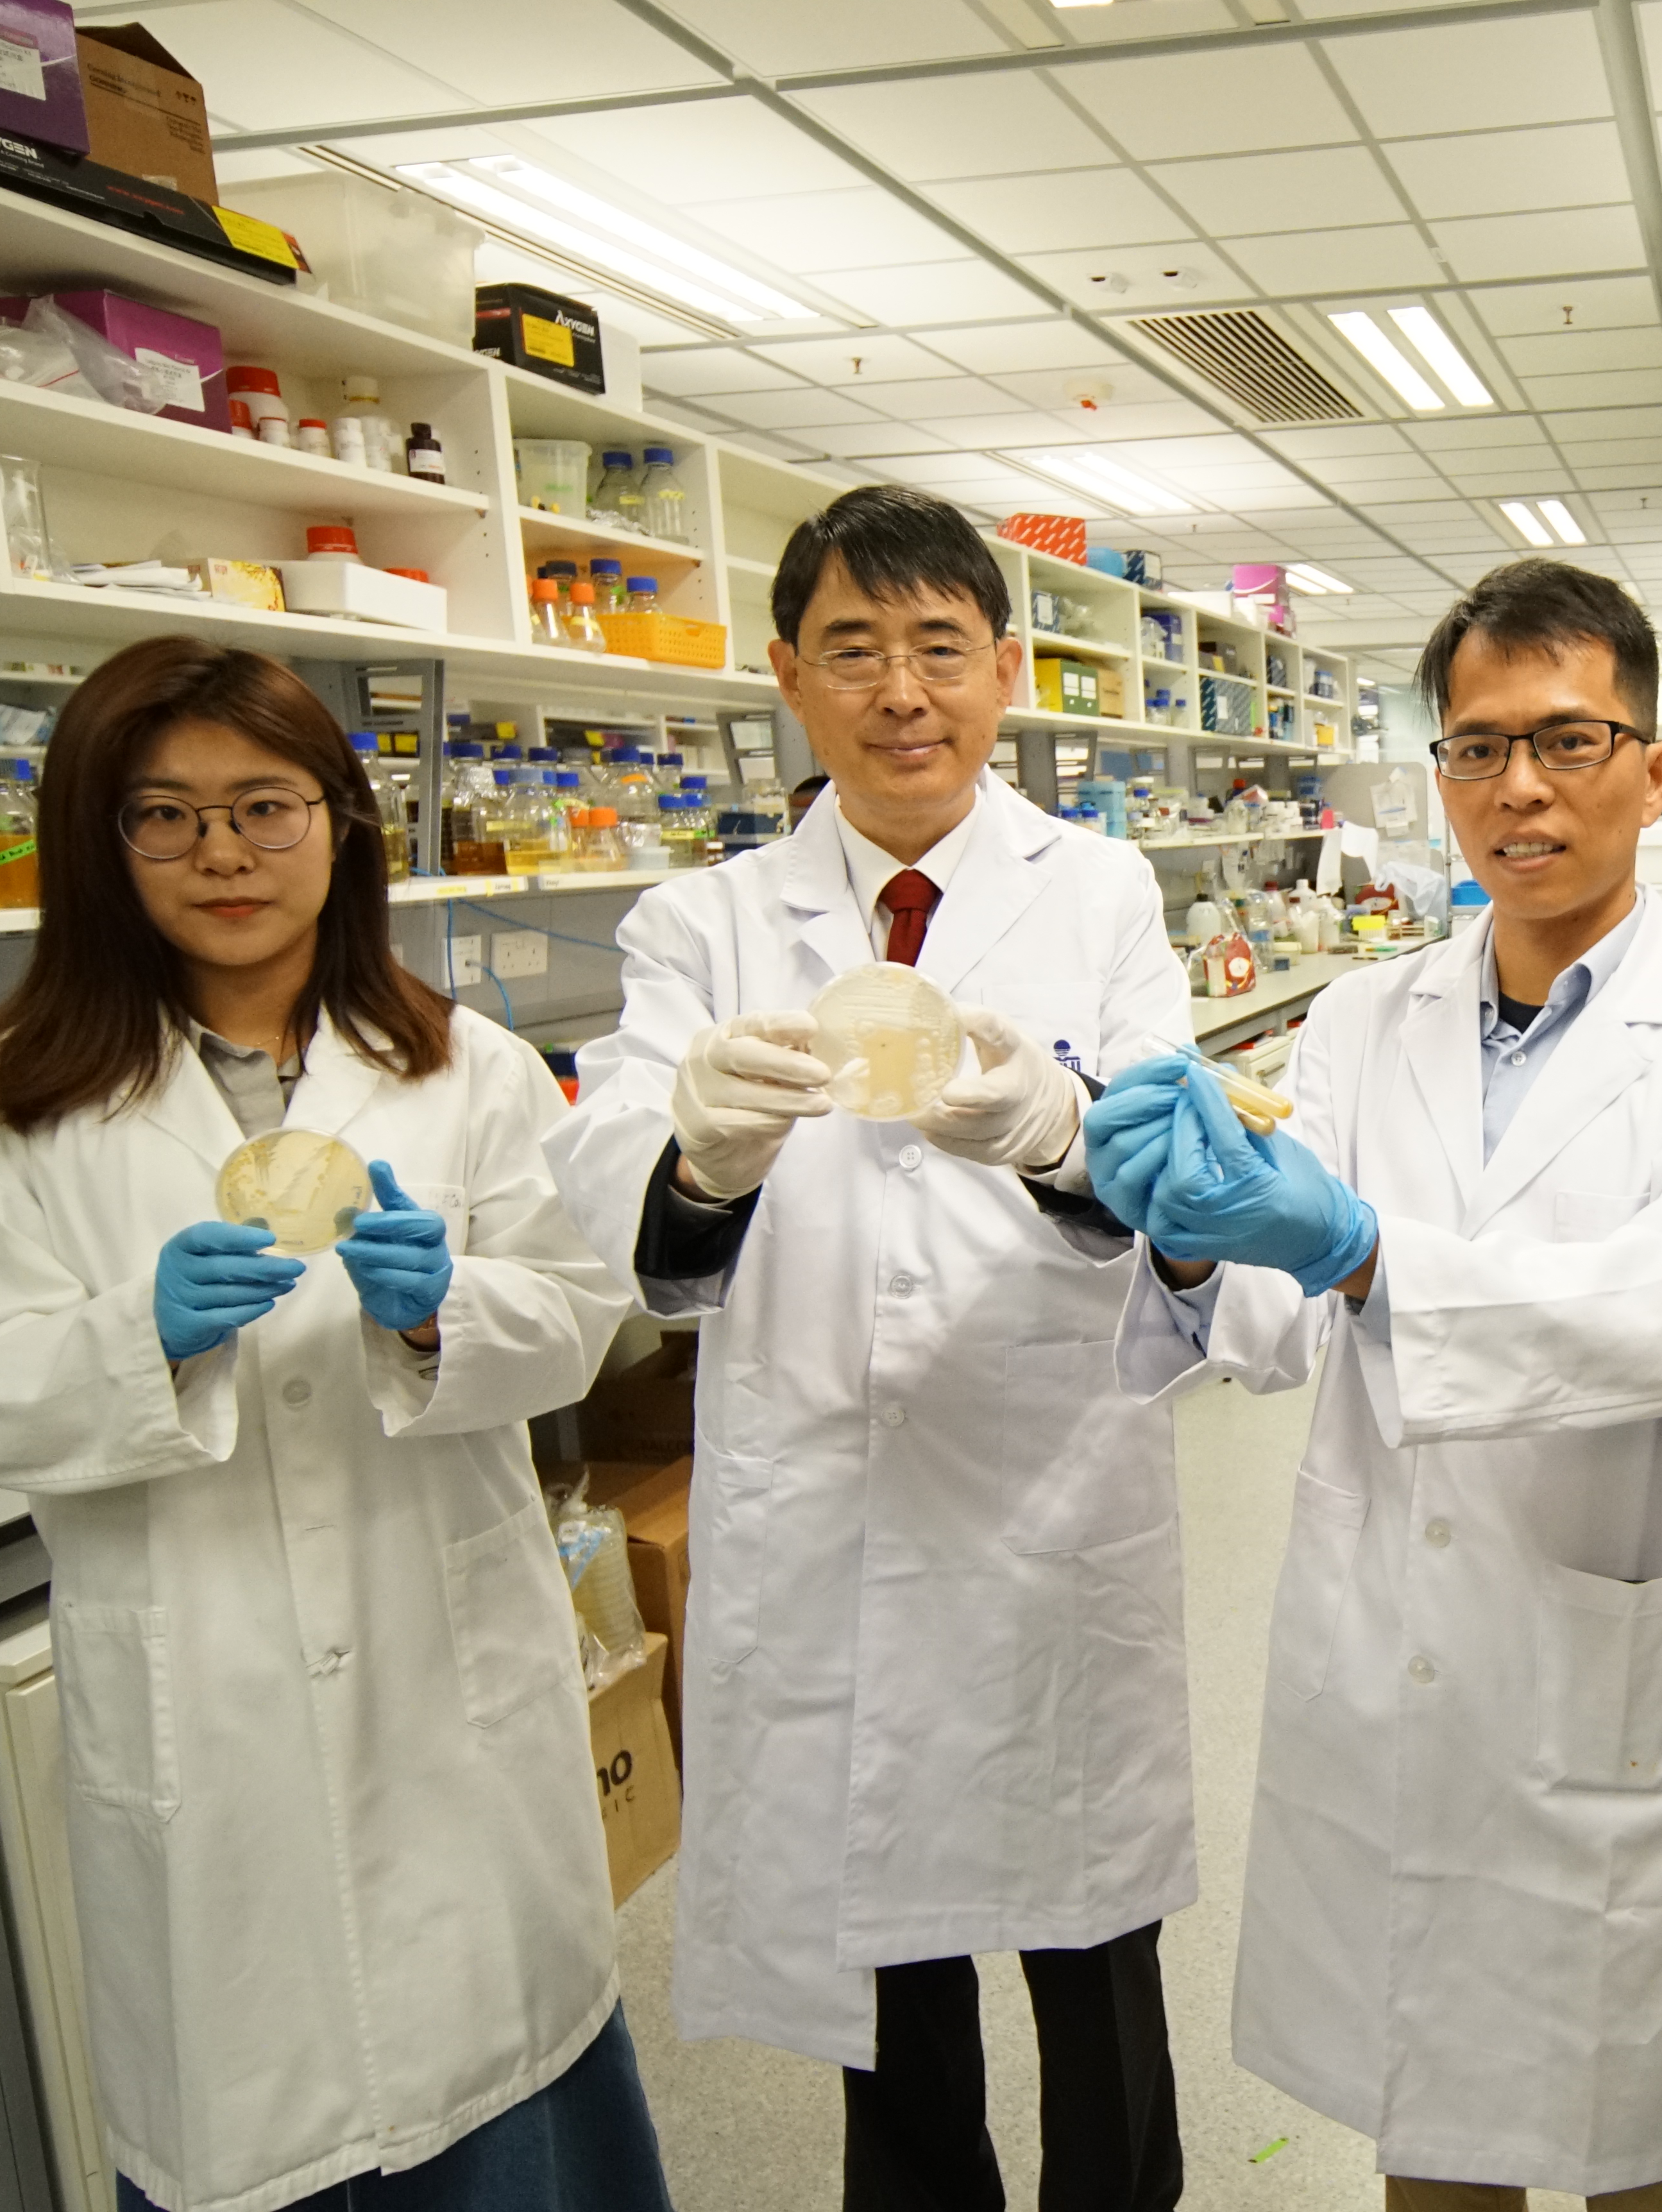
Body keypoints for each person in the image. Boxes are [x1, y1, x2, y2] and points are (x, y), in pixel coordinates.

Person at [1084, 559, 1662, 2208]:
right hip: (1387, 1657)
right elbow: (1284, 1336)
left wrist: (1365, 1250)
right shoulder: (1364, 1020)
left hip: (1598, 1664)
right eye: (1477, 748)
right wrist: (1200, 1240)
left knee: (1654, 2137)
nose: (1519, 788)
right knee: (1429, 2118)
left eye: (1568, 741)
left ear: (1659, 769)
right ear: (1440, 777)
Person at [0, 638, 660, 2212]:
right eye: (162, 816)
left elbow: (585, 1312)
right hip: (206, 1721)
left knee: (509, 2113)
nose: (221, 853)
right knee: (264, 2126)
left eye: (263, 806)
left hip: (451, 1709)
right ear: (102, 845)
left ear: (342, 822)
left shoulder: (468, 1065)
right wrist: (133, 1336)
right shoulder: (7, 1099)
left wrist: (446, 1314)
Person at [545, 487, 1198, 2212]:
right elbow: (624, 1198)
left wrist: (1057, 1125)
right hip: (827, 1500)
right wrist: (701, 1156)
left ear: (1003, 668)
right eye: (854, 649)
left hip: (1049, 1493)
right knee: (890, 1991)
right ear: (789, 677)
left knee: (1093, 1966)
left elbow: (1172, 1167)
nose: (901, 691)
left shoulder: (1103, 890)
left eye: (937, 648)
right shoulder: (707, 925)